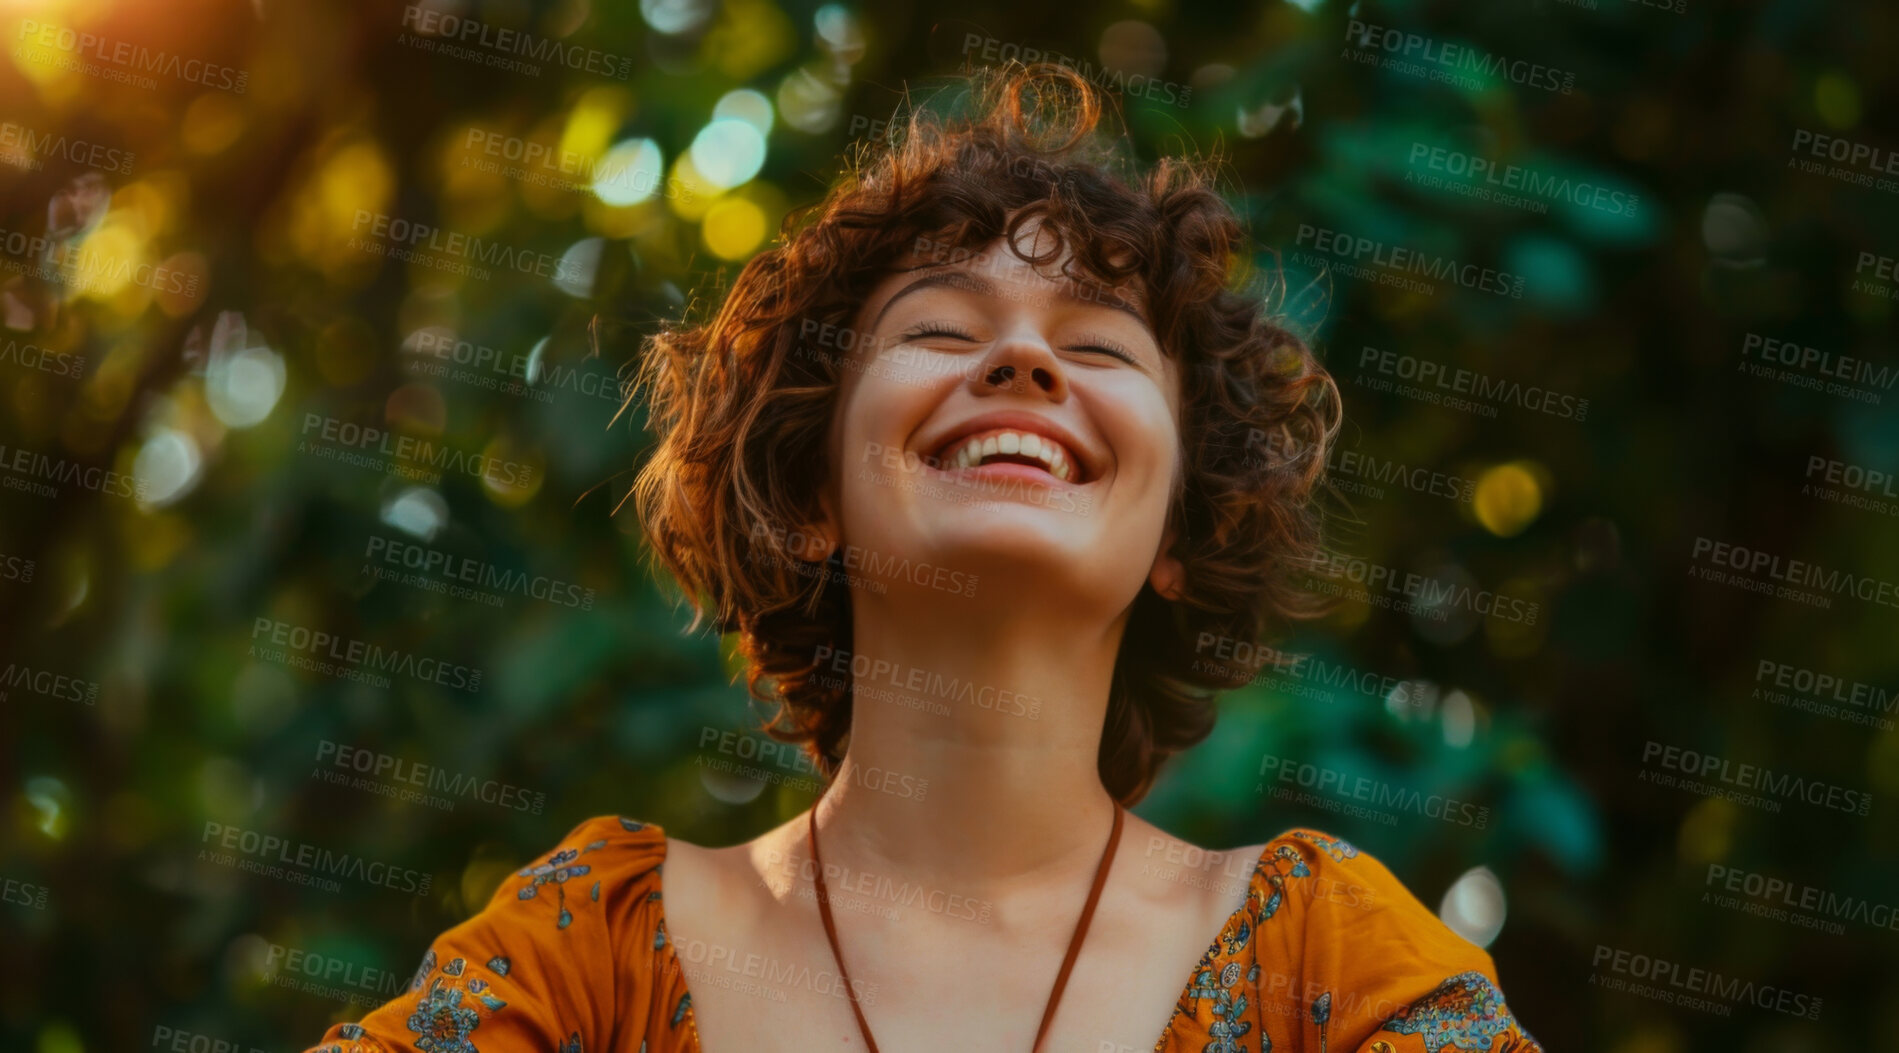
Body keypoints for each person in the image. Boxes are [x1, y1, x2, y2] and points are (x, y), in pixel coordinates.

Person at [304, 63, 1541, 1053]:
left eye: (1100, 348)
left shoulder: (1330, 965)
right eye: (940, 328)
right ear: (808, 497)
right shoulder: (589, 958)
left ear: (1183, 535)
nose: (1022, 362)